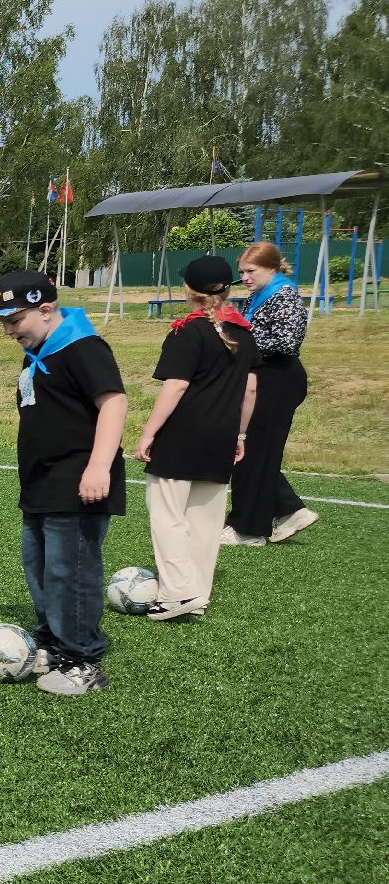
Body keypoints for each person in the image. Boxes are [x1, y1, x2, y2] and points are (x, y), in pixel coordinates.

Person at [0, 270, 127, 696]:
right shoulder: (39, 349)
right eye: (3, 322)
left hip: (78, 480)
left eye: (14, 320)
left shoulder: (83, 348)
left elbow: (114, 402)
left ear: (46, 309)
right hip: (41, 481)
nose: (8, 331)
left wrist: (99, 466)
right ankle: (53, 643)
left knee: (70, 570)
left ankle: (83, 660)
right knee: (39, 566)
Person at [133, 256, 257, 621]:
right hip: (221, 436)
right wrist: (241, 433)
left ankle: (176, 593)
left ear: (189, 290)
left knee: (168, 515)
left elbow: (177, 385)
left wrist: (148, 431)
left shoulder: (186, 331)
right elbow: (250, 390)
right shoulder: (244, 333)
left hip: (184, 434)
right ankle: (197, 595)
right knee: (205, 522)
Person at [225, 242, 318, 547]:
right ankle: (290, 510)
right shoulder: (259, 295)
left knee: (254, 450)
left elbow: (287, 341)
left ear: (272, 267)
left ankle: (249, 530)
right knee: (251, 450)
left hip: (278, 379)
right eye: (242, 272)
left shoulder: (285, 295)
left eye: (251, 271)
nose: (245, 277)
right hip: (264, 378)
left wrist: (239, 344)